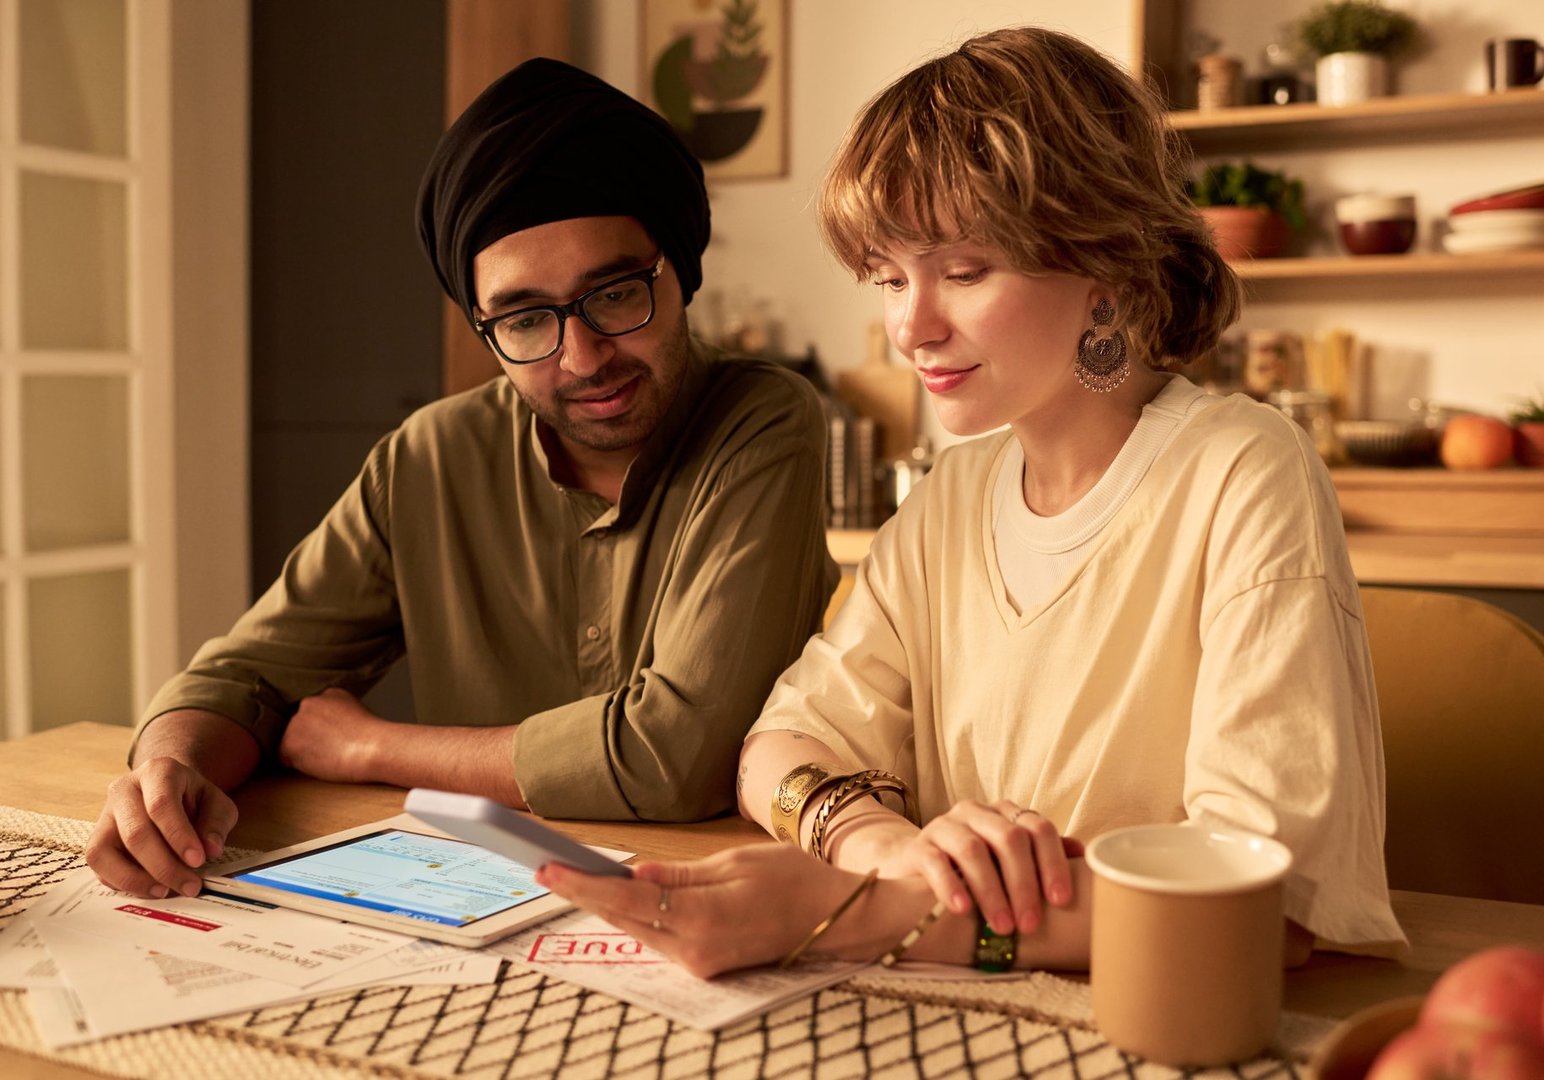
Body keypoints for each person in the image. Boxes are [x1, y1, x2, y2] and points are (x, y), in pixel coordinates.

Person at [543, 26, 1407, 978]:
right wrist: (884, 848)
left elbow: (1262, 909)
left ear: (1109, 271)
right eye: (887, 277)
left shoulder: (1244, 473)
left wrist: (866, 914)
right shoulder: (949, 500)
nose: (912, 326)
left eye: (963, 272)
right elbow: (778, 748)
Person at [86, 59, 838, 902]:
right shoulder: (427, 457)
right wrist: (168, 770)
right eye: (525, 320)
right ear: (485, 328)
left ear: (679, 272)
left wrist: (376, 749)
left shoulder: (763, 420)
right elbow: (249, 678)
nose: (583, 358)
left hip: (707, 910)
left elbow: (677, 757)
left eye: (616, 294)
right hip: (462, 908)